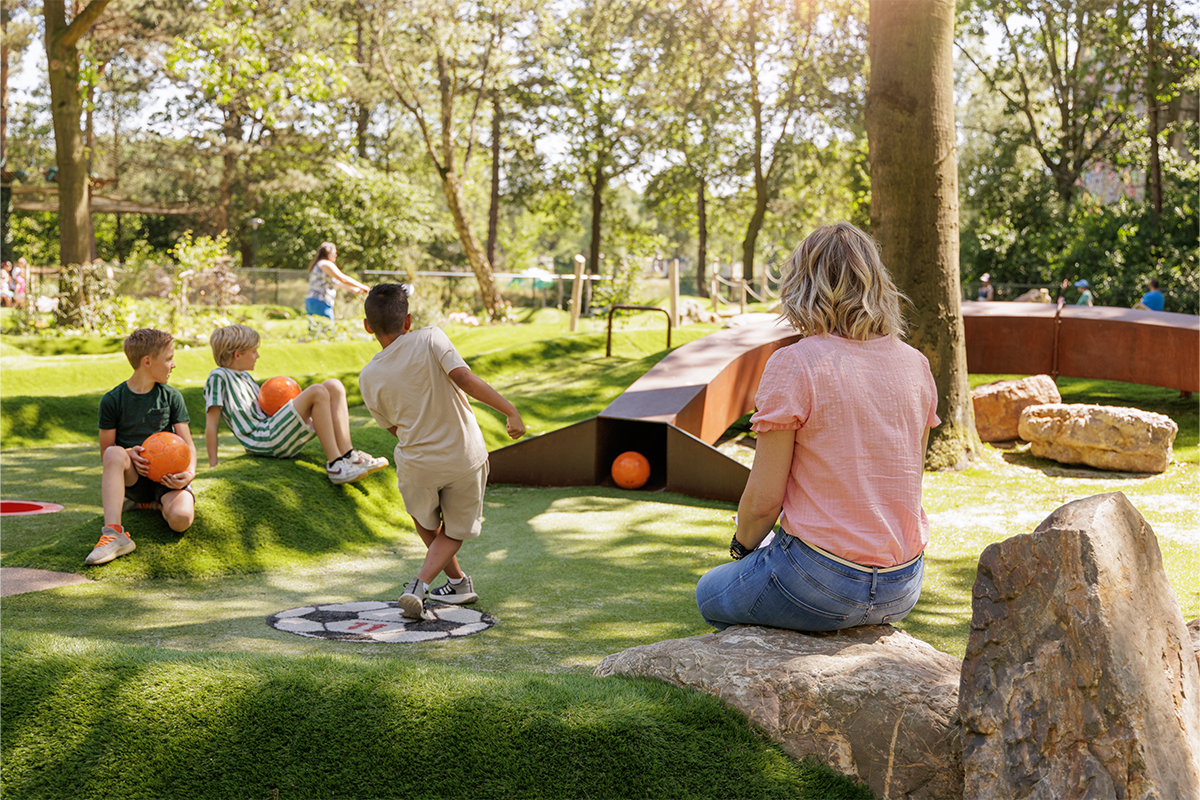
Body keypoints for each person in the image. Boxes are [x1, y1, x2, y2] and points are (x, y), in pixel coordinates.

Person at [695, 222, 939, 633]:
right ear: (878, 283)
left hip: (821, 582)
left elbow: (763, 502)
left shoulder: (796, 363)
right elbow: (909, 479)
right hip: (903, 585)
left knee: (710, 592)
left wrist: (743, 549)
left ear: (802, 284)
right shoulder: (915, 364)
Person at [359, 283, 526, 620]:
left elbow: (394, 428)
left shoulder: (368, 376)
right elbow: (464, 379)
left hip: (417, 465)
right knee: (454, 531)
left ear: (367, 326)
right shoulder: (431, 337)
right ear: (408, 321)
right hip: (465, 455)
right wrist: (510, 411)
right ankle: (420, 584)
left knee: (424, 519)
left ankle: (458, 584)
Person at [203, 324, 389, 483]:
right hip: (263, 438)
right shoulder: (219, 376)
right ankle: (335, 464)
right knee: (317, 391)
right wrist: (214, 464)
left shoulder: (245, 377)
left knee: (334, 386)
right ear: (237, 355)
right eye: (253, 351)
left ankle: (349, 456)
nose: (257, 356)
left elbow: (262, 410)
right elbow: (212, 423)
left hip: (270, 430)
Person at [87, 329, 197, 566]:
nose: (173, 364)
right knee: (115, 453)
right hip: (134, 479)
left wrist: (188, 474)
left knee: (181, 520)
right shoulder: (112, 400)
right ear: (147, 362)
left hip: (168, 480)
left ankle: (154, 504)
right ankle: (114, 535)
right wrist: (128, 453)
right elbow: (106, 453)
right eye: (168, 359)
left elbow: (188, 444)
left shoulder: (172, 397)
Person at [305, 242, 370, 337]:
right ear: (328, 253)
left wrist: (353, 289)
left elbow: (337, 282)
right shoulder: (326, 264)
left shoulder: (319, 264)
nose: (336, 255)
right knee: (327, 331)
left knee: (315, 331)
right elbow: (342, 278)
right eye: (334, 252)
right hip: (320, 301)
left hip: (311, 301)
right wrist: (363, 287)